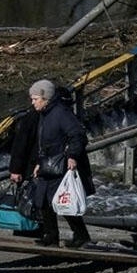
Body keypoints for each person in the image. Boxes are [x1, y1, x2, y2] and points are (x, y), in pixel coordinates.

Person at [28, 79, 95, 248]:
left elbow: (78, 135)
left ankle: (81, 236)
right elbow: (43, 142)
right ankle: (51, 235)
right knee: (43, 201)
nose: (32, 102)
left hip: (61, 165)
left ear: (45, 98)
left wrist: (72, 156)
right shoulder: (45, 114)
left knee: (65, 202)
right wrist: (38, 163)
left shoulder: (61, 113)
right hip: (48, 164)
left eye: (35, 98)